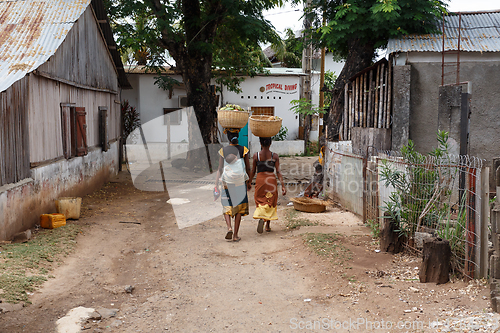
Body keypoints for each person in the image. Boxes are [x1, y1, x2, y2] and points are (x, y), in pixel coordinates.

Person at [215, 129, 250, 242]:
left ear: (228, 138)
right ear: (238, 136)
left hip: (227, 182)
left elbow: (220, 169)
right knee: (239, 208)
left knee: (227, 204)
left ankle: (229, 227)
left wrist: (216, 184)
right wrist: (249, 181)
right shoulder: (243, 150)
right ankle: (235, 235)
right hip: (240, 182)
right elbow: (248, 168)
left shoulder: (223, 151)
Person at [247, 137, 286, 233]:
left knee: (260, 199)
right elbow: (278, 171)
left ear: (260, 143)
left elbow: (253, 170)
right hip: (271, 180)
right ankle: (267, 225)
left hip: (260, 180)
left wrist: (249, 181)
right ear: (270, 143)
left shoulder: (256, 156)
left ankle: (262, 217)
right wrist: (283, 186)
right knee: (270, 200)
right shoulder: (275, 156)